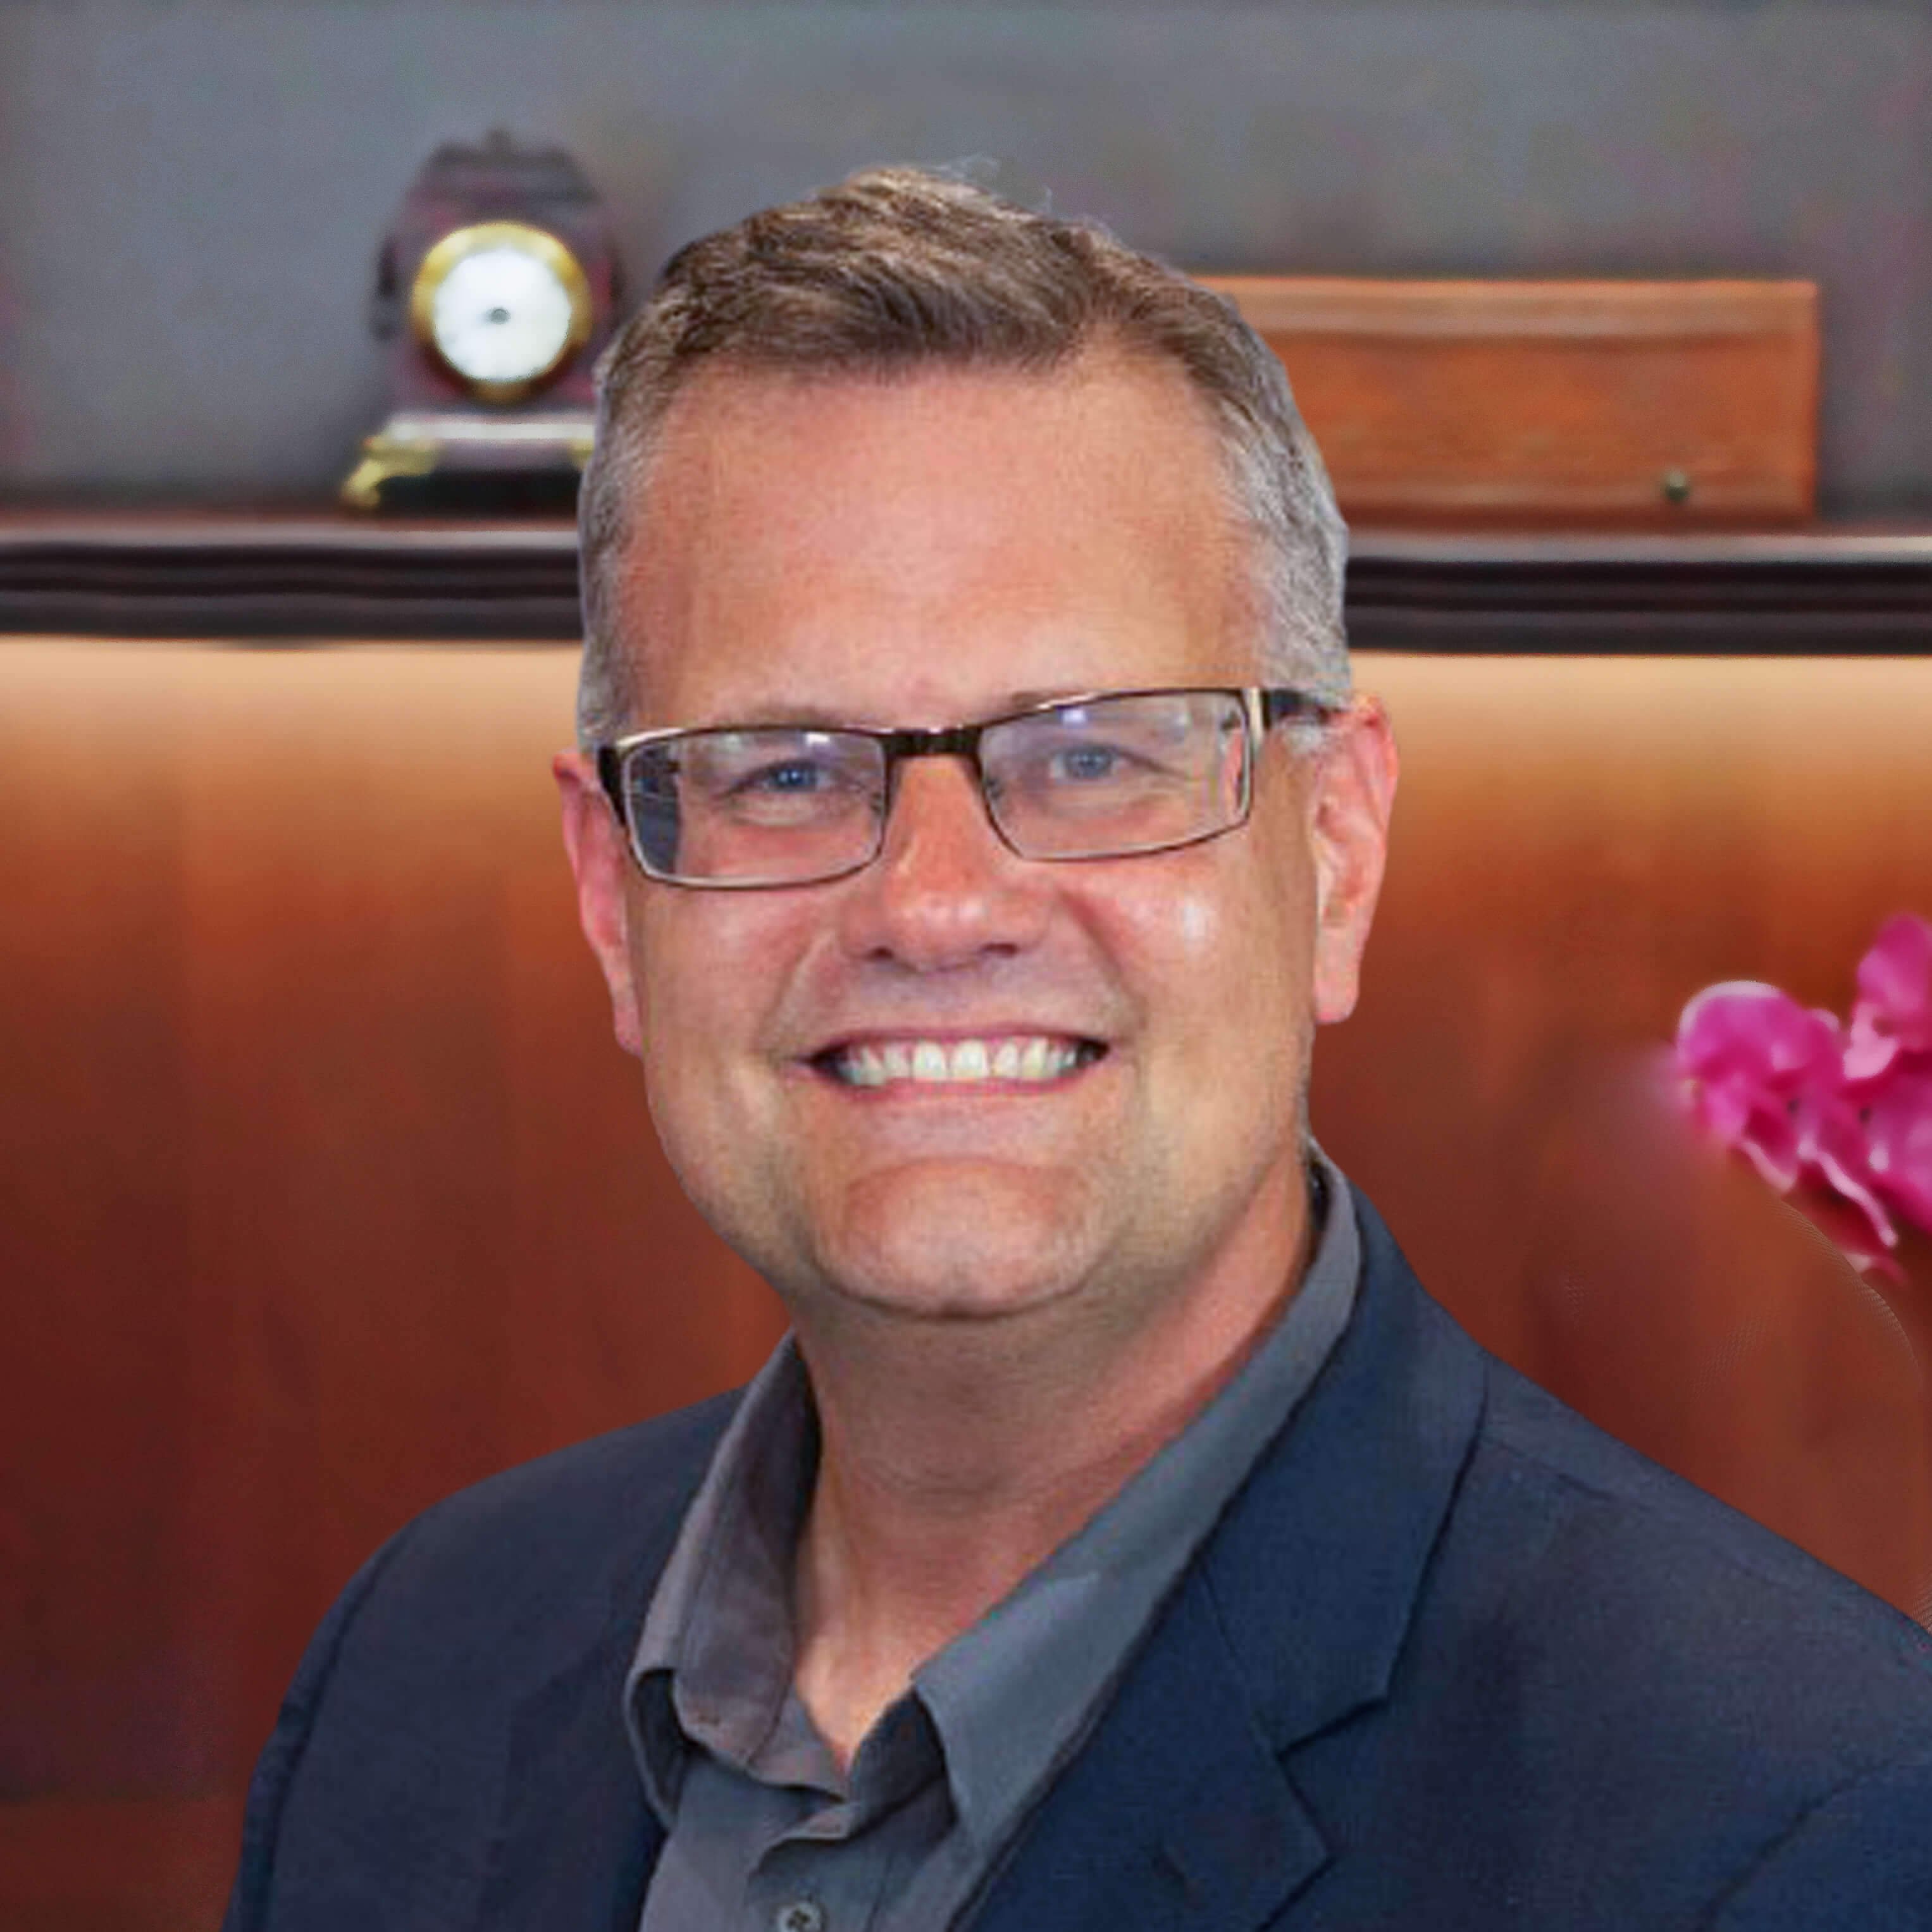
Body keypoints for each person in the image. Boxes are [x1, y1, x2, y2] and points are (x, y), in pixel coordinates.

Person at [225, 168, 1932, 1931]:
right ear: (613, 896)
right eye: (786, 770)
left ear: (1336, 851)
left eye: (1096, 754)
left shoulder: (1808, 1835)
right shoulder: (417, 1669)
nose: (935, 904)